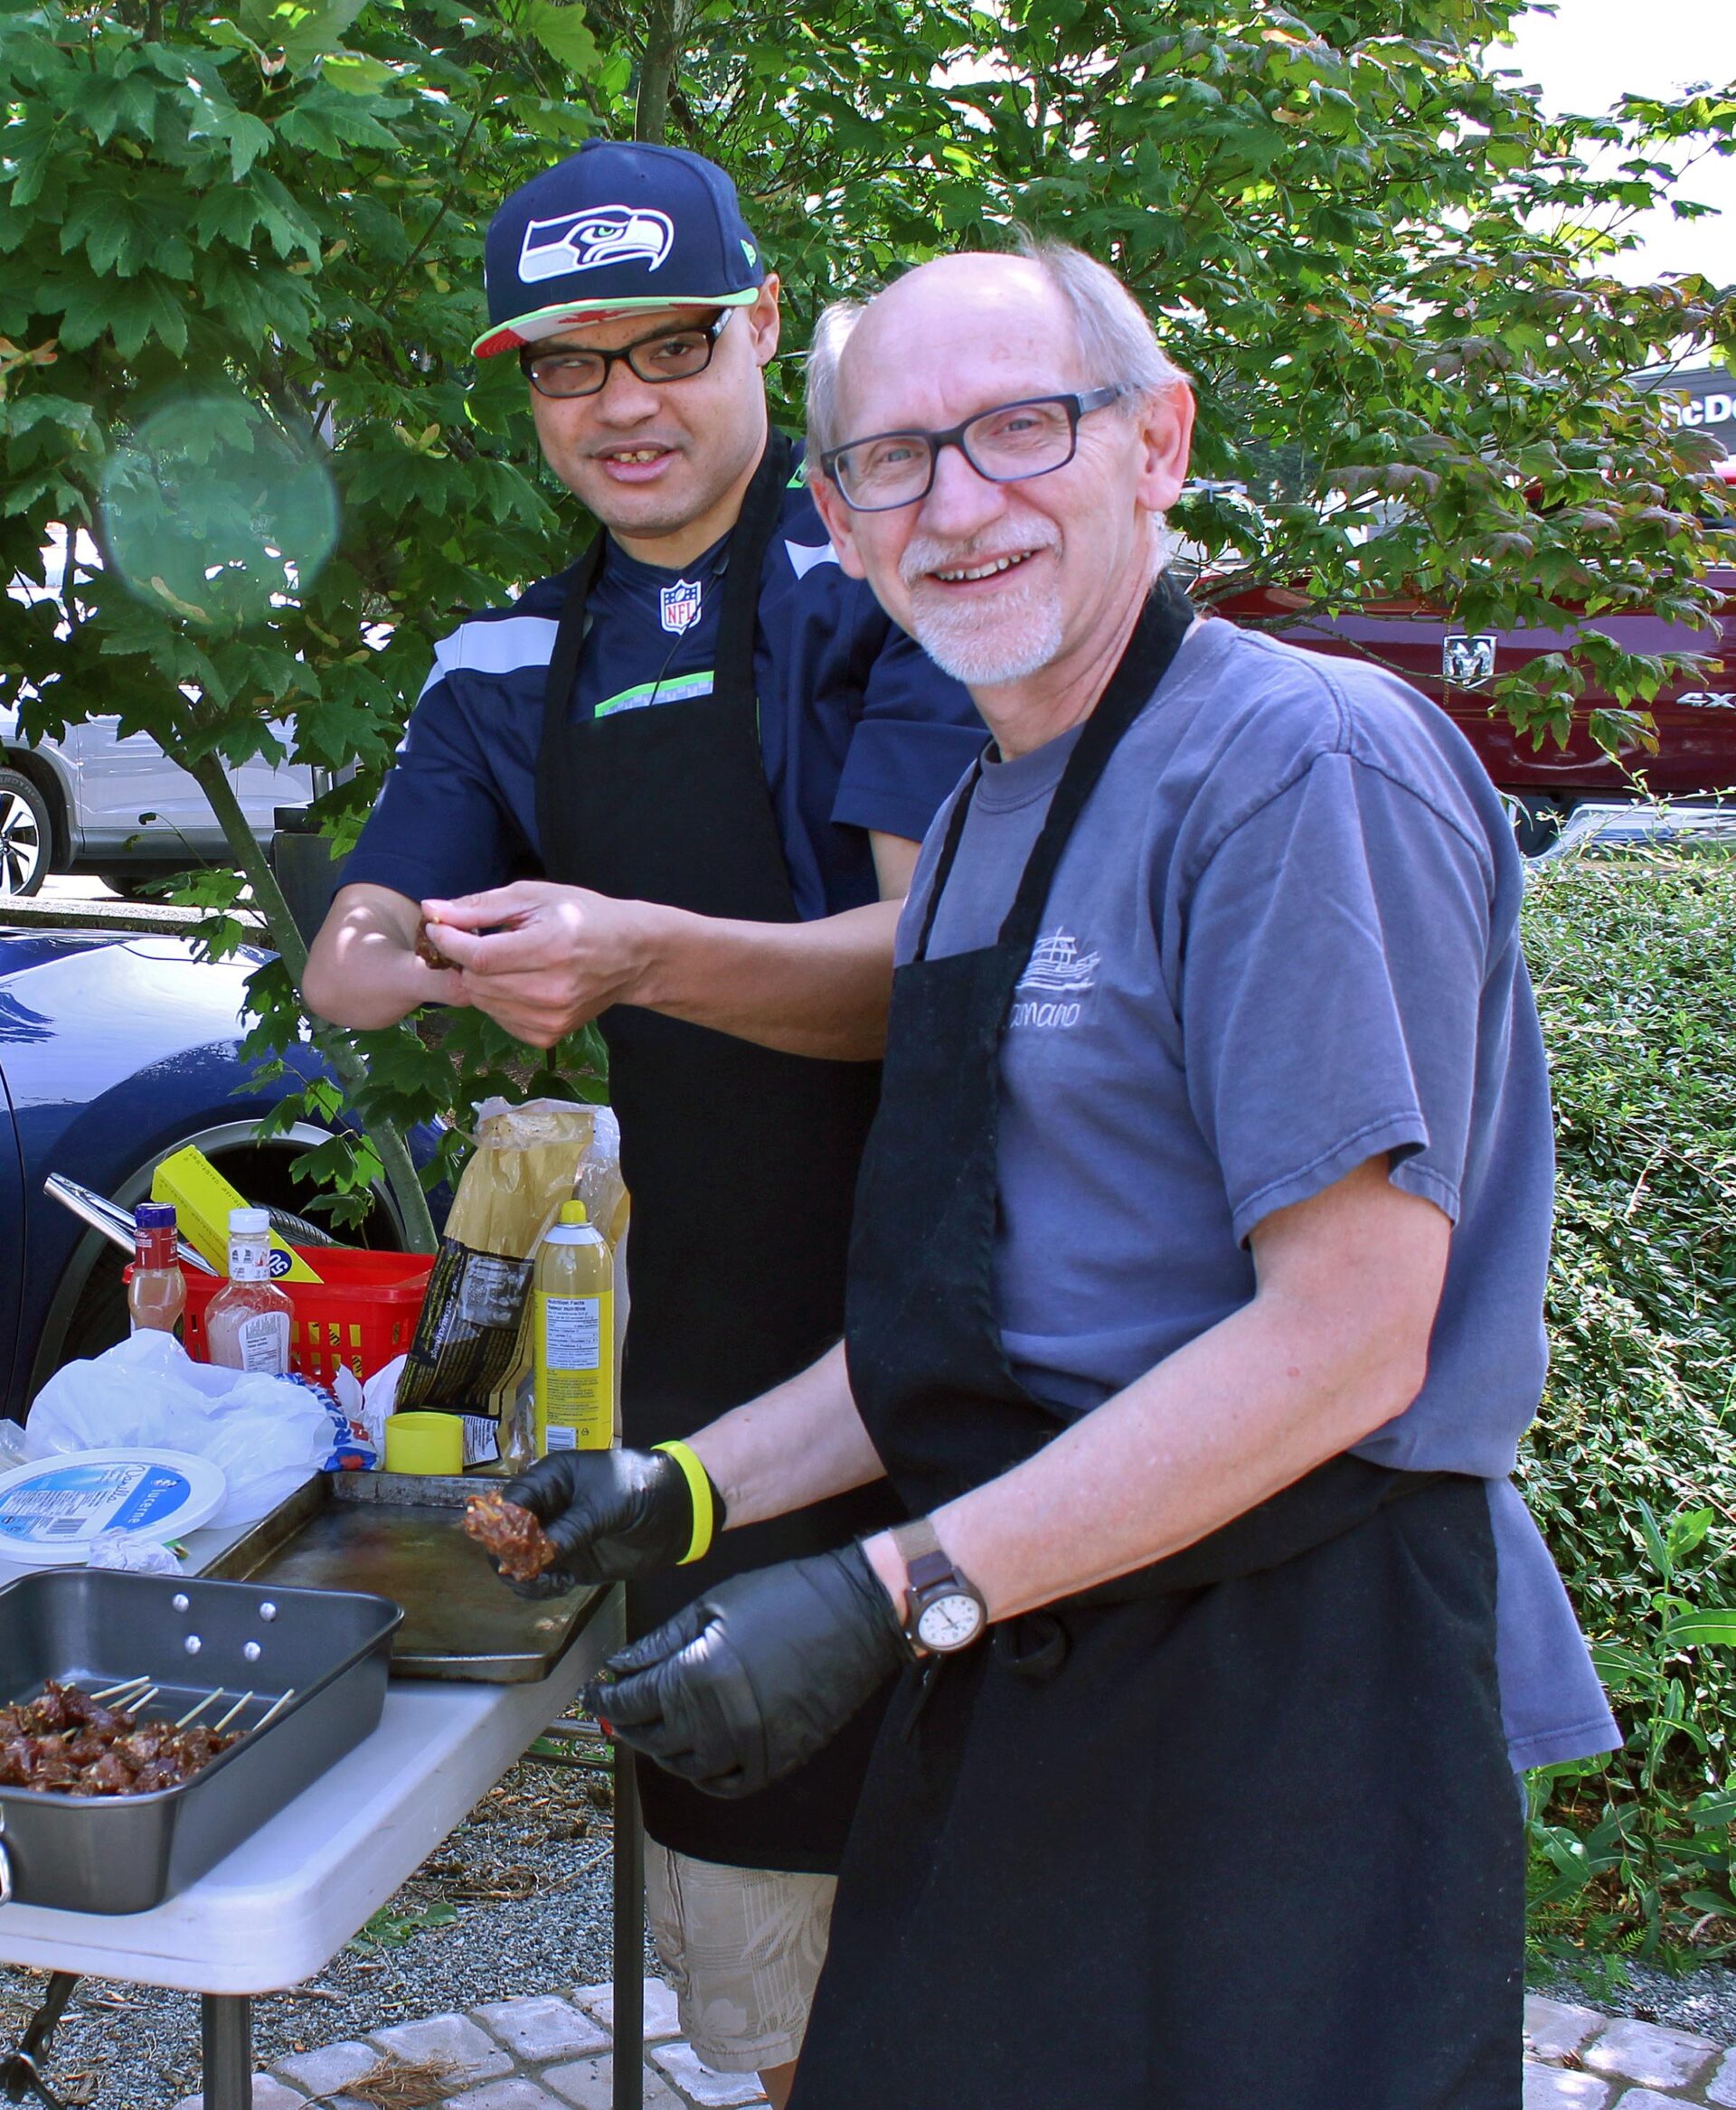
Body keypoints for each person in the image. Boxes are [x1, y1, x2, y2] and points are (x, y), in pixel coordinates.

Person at [552, 240, 1621, 2109]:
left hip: (1296, 1679)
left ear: (1159, 443)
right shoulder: (981, 809)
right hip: (1055, 1635)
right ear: (840, 515)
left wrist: (891, 1590)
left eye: (1021, 431)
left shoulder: (1298, 769)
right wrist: (687, 1490)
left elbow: (1352, 1343)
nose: (960, 507)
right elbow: (988, 1306)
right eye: (895, 460)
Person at [301, 140, 986, 2105]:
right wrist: (425, 946)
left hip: (967, 1365)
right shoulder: (507, 660)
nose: (621, 404)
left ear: (764, 328)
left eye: (668, 345)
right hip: (714, 1405)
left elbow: (918, 969)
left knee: (994, 1941)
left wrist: (632, 955)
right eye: (564, 365)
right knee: (776, 1985)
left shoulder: (891, 587)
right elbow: (346, 957)